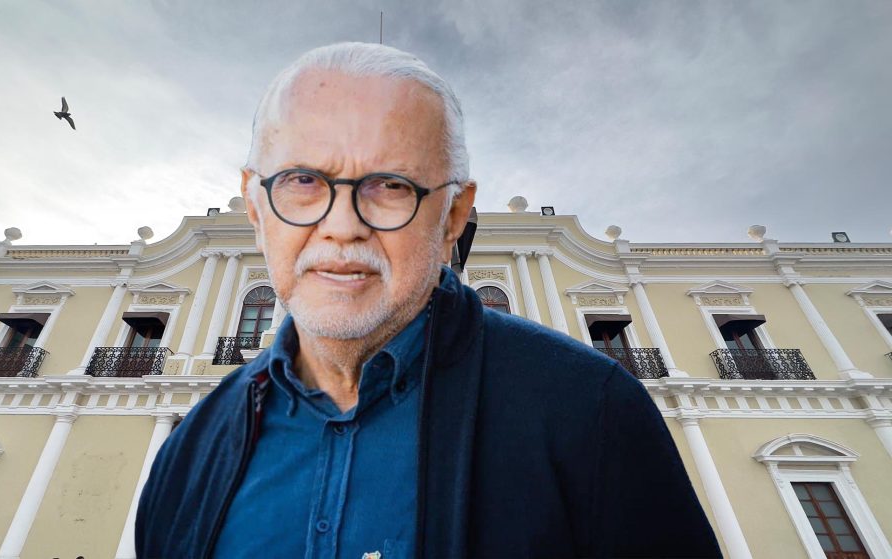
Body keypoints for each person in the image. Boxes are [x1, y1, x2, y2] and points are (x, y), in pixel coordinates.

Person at [137, 42, 721, 559]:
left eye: (391, 185)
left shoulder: (591, 413)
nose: (342, 226)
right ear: (255, 205)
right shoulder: (190, 451)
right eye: (303, 180)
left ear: (454, 215)